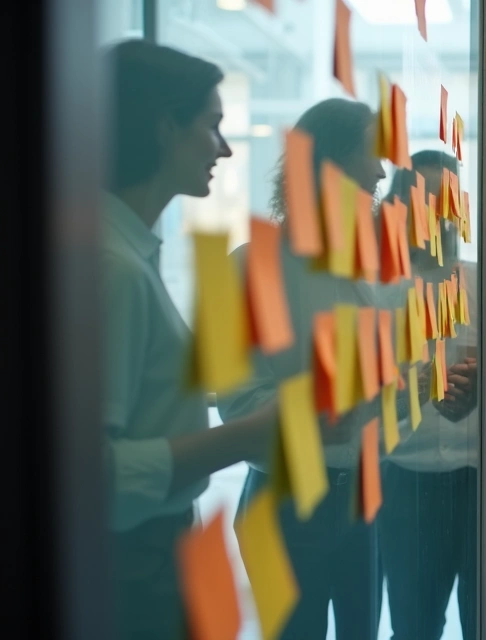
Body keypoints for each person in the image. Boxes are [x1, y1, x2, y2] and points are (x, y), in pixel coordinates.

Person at [102, 39, 284, 639]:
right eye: (211, 127)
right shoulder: (112, 267)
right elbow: (94, 477)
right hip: (131, 563)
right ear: (162, 130)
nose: (225, 149)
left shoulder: (132, 252)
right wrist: (251, 434)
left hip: (158, 549)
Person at [219, 97, 388, 639]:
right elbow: (236, 402)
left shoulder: (365, 272)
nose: (382, 171)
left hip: (361, 499)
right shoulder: (247, 267)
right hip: (282, 505)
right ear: (332, 166)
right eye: (372, 155)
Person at [379, 149, 481, 640]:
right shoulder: (374, 288)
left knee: (482, 622)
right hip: (402, 479)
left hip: (477, 481)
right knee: (414, 627)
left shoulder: (481, 282)